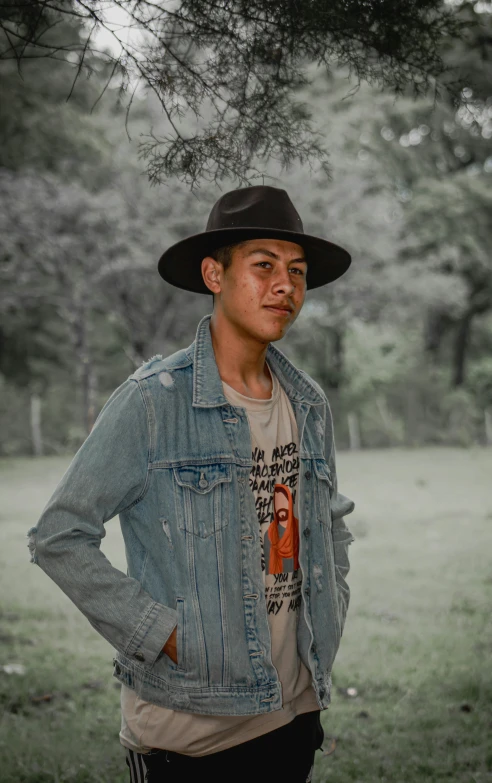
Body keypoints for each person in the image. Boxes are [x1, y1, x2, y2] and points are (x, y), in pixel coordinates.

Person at [26, 185, 356, 783]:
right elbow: (58, 535)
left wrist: (332, 605)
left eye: (297, 272)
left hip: (294, 713)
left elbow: (328, 522)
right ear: (214, 274)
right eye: (264, 266)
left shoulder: (308, 403)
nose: (286, 285)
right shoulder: (152, 403)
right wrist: (161, 633)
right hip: (189, 734)